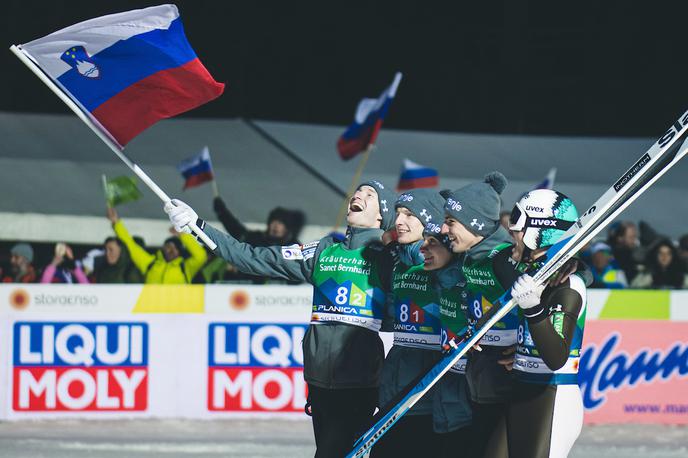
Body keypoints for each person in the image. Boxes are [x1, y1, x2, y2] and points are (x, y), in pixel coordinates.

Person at [165, 180, 397, 457]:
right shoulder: (323, 250)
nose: (359, 195)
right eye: (358, 191)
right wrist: (197, 227)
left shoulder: (386, 258)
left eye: (369, 195)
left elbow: (401, 312)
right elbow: (251, 257)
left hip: (358, 383)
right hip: (318, 381)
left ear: (381, 215)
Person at [440, 171, 524, 458]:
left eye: (451, 222)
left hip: (508, 381)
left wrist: (528, 349)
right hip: (480, 376)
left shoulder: (503, 256)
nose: (443, 229)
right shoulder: (467, 255)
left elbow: (560, 289)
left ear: (475, 223)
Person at [505, 188, 587, 458]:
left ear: (537, 231)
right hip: (520, 388)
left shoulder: (570, 285)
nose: (511, 234)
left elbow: (556, 356)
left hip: (553, 396)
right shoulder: (527, 272)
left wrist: (533, 308)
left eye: (517, 227)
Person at [372, 189, 448, 457]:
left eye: (410, 215)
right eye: (398, 214)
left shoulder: (445, 262)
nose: (399, 221)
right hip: (395, 387)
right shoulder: (398, 262)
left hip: (428, 393)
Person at [419, 205, 474, 458]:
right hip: (444, 395)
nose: (423, 249)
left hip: (471, 397)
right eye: (424, 242)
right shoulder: (435, 277)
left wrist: (577, 268)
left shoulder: (471, 276)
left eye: (432, 243)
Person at [213, 197, 306, 283]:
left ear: (287, 228)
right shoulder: (257, 239)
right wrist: (222, 212)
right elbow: (236, 230)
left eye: (281, 223)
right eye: (274, 221)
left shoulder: (293, 246)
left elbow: (300, 271)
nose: (276, 225)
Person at [107, 207, 207, 284]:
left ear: (180, 251)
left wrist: (182, 235)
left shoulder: (185, 268)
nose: (171, 250)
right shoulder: (150, 264)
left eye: (175, 248)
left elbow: (201, 256)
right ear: (163, 248)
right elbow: (131, 245)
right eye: (168, 246)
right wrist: (116, 223)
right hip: (151, 310)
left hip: (177, 311)